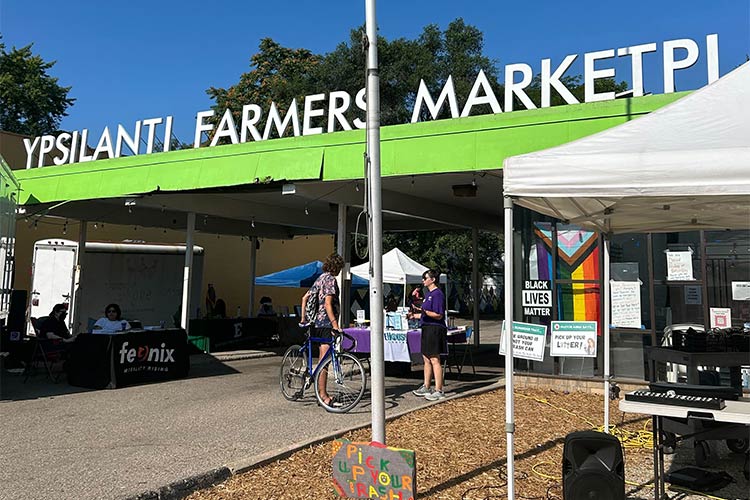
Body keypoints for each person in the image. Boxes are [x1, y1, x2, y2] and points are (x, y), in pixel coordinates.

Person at [300, 252, 344, 408]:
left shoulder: (319, 279)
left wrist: (303, 319)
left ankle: (319, 390)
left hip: (314, 324)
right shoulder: (331, 280)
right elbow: (327, 304)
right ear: (337, 267)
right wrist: (335, 325)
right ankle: (323, 396)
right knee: (324, 361)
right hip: (325, 323)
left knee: (320, 359)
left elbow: (304, 298)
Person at [412, 269, 447, 401]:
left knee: (434, 359)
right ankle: (426, 385)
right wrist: (414, 315)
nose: (423, 280)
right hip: (426, 327)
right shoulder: (428, 294)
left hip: (435, 329)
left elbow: (438, 315)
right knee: (426, 358)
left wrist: (423, 311)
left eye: (425, 278)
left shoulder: (437, 294)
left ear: (432, 279)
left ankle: (439, 389)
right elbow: (425, 313)